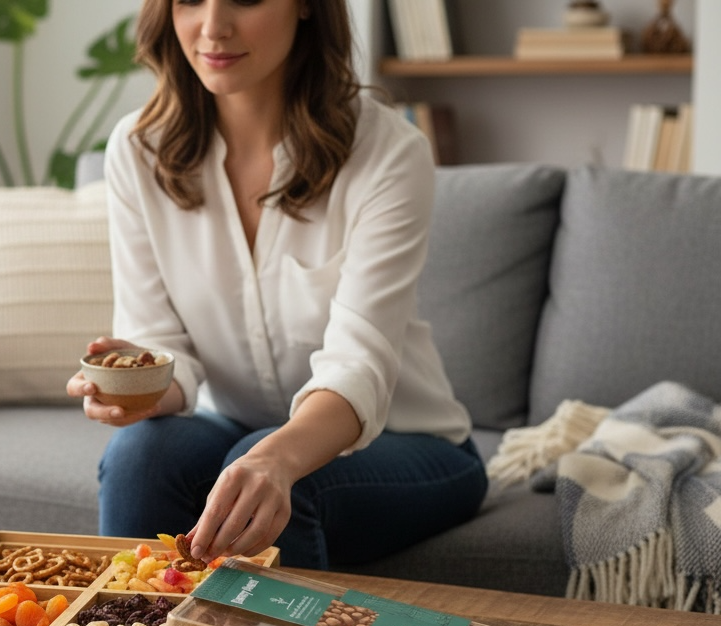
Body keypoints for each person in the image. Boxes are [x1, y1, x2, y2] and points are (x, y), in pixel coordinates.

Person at [66, 0, 488, 570]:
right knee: (143, 454)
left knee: (273, 475)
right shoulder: (139, 151)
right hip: (235, 426)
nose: (213, 27)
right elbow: (165, 349)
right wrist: (136, 385)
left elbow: (355, 367)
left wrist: (276, 458)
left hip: (411, 443)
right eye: (190, 0)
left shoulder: (388, 152)